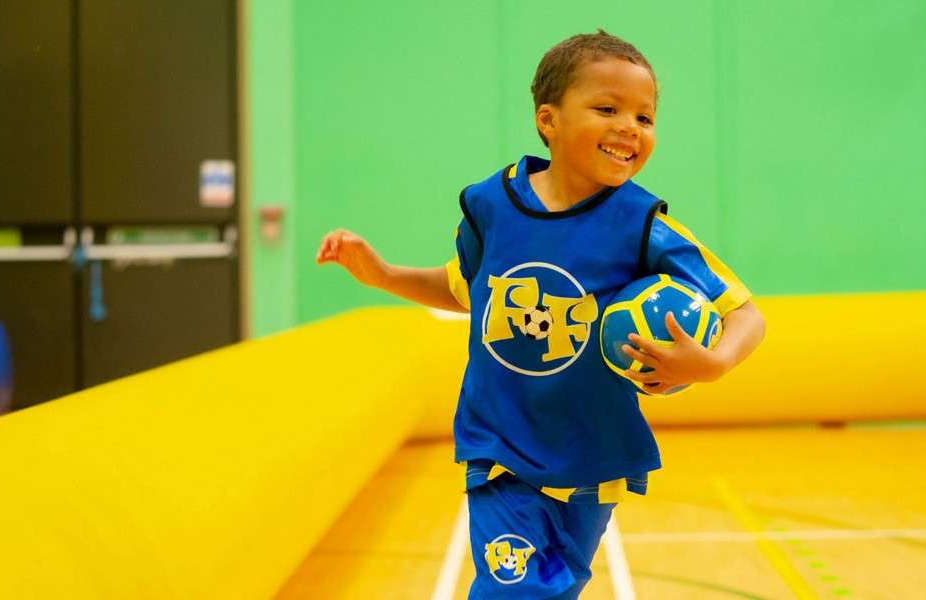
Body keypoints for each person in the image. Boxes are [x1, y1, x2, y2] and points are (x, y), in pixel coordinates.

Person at [317, 30, 765, 598]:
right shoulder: (491, 206)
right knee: (512, 592)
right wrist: (382, 275)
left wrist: (712, 363)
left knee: (556, 588)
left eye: (645, 117)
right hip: (502, 448)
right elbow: (466, 290)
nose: (630, 126)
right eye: (608, 109)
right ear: (548, 120)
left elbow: (746, 314)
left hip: (592, 455)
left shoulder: (645, 226)